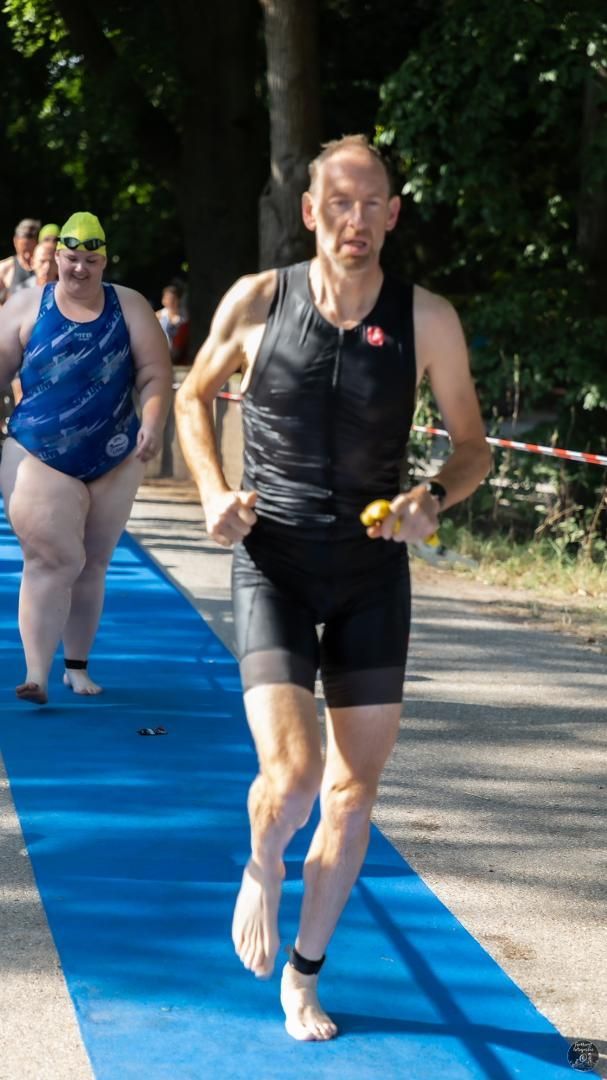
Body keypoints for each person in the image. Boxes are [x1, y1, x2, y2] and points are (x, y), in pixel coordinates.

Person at [175, 134, 491, 1042]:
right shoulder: (257, 301)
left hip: (370, 576)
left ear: (393, 213)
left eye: (373, 203)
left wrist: (432, 496)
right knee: (295, 773)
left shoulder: (426, 318)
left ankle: (305, 977)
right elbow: (195, 396)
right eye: (339, 203)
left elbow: (471, 449)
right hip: (272, 563)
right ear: (311, 211)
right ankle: (262, 861)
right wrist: (210, 495)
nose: (356, 220)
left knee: (353, 793)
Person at [0, 211, 172, 704]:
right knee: (55, 558)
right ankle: (36, 673)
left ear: (104, 261)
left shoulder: (131, 306)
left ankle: (76, 666)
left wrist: (154, 423)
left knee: (93, 563)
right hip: (38, 451)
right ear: (56, 258)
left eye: (90, 261)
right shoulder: (26, 305)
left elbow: (155, 375)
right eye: (72, 259)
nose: (80, 270)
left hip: (115, 454)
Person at [0, 218, 41, 304]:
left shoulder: (48, 266)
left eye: (32, 251)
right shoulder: (4, 268)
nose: (27, 256)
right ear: (15, 242)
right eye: (23, 251)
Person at [156, 282, 189, 364]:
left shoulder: (183, 319)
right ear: (163, 300)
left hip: (178, 358)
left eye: (173, 299)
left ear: (178, 300)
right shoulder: (157, 316)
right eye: (167, 298)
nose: (170, 301)